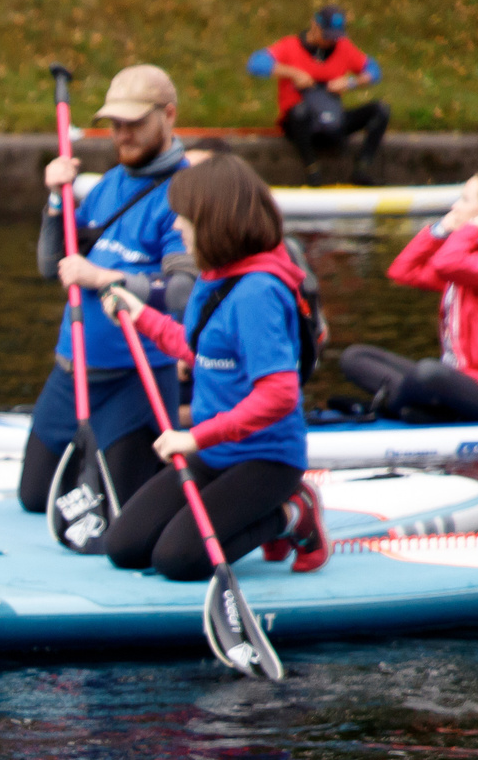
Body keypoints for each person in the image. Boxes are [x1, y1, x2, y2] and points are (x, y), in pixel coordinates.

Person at [98, 155, 328, 578]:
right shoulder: (212, 277)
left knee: (178, 559)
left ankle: (293, 512)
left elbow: (280, 395)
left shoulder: (258, 293)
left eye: (184, 219)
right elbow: (196, 349)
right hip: (214, 452)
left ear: (214, 222)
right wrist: (139, 313)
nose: (178, 228)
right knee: (124, 547)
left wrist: (195, 438)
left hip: (265, 459)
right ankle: (263, 516)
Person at [20, 65, 192, 519]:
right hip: (72, 370)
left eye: (135, 123)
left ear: (168, 115)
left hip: (138, 376)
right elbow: (49, 265)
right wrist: (57, 201)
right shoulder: (107, 185)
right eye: (115, 124)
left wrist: (105, 279)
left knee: (124, 509)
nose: (123, 134)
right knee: (36, 498)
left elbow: (181, 292)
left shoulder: (187, 195)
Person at [338, 169, 478, 424]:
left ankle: (397, 407)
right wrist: (439, 229)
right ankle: (409, 408)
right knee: (355, 357)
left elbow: (447, 264)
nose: (455, 206)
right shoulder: (471, 253)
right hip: (459, 379)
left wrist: (471, 229)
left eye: (465, 200)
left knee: (429, 373)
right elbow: (403, 271)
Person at [250, 3, 388, 181]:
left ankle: (362, 169)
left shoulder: (343, 47)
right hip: (301, 124)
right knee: (299, 112)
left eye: (335, 37)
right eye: (327, 35)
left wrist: (351, 82)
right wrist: (293, 73)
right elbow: (255, 63)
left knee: (381, 110)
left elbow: (374, 70)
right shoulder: (290, 46)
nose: (330, 41)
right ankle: (312, 171)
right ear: (315, 25)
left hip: (332, 121)